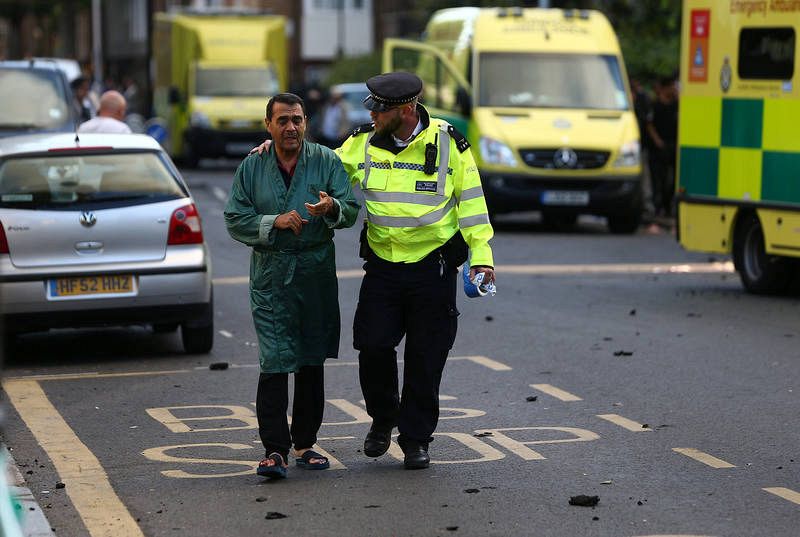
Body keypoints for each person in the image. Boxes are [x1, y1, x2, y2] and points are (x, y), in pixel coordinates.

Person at [225, 93, 360, 480]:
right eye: (282, 120)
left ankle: (305, 443)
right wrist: (274, 222)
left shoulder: (326, 161)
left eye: (297, 120)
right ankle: (274, 449)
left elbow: (350, 209)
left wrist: (331, 207)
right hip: (271, 275)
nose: (291, 127)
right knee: (274, 359)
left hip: (315, 272)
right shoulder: (252, 167)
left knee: (310, 357)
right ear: (268, 125)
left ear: (306, 123)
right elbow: (235, 218)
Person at [646, 76, 679, 217]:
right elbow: (649, 124)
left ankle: (667, 206)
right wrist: (657, 141)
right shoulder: (655, 105)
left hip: (673, 146)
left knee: (672, 180)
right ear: (665, 88)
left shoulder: (677, 104)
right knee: (658, 179)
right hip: (658, 149)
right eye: (672, 86)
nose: (675, 89)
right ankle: (658, 207)